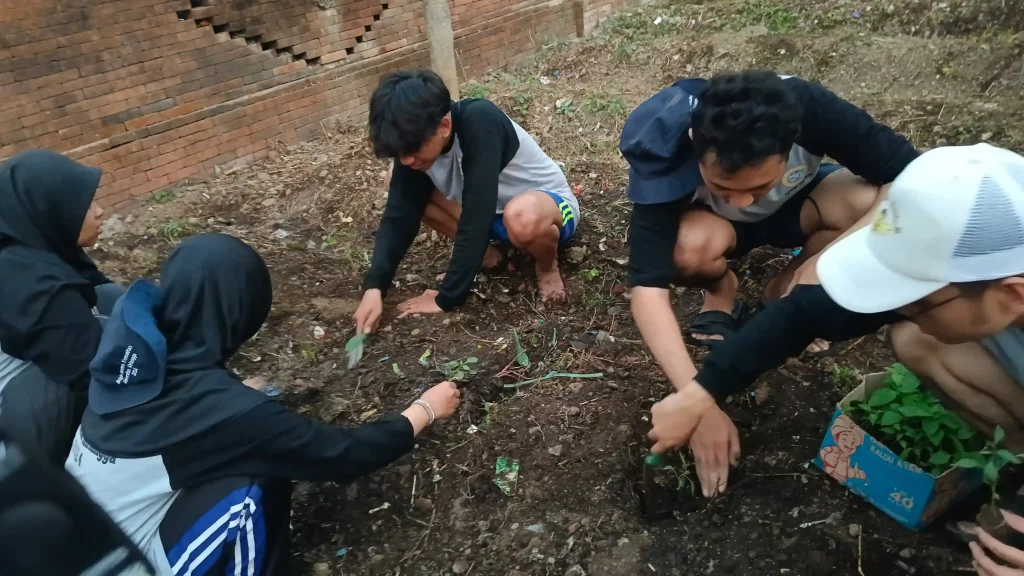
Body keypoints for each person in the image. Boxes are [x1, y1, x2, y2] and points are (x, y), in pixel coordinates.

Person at [644, 144, 1024, 513]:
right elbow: (804, 315)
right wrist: (698, 395)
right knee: (915, 337)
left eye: (919, 299)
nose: (899, 308)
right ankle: (1017, 458)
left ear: (1011, 295)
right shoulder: (974, 286)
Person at [65, 233, 461, 575]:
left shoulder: (132, 355)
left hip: (73, 544)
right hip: (126, 565)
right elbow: (341, 454)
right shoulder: (225, 411)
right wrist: (423, 410)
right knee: (255, 481)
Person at [352, 70, 581, 334]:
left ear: (444, 126)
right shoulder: (414, 145)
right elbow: (398, 217)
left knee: (521, 216)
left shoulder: (479, 121)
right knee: (398, 183)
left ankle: (547, 266)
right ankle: (487, 255)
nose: (406, 160)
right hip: (492, 218)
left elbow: (477, 209)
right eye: (399, 153)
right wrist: (375, 288)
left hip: (545, 210)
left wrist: (446, 296)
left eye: (412, 150)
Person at [0, 149, 124, 464]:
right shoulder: (31, 286)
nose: (99, 212)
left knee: (112, 299)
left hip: (27, 393)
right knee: (104, 349)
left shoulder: (30, 244)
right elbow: (99, 375)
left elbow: (103, 292)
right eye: (85, 205)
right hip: (13, 437)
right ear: (47, 209)